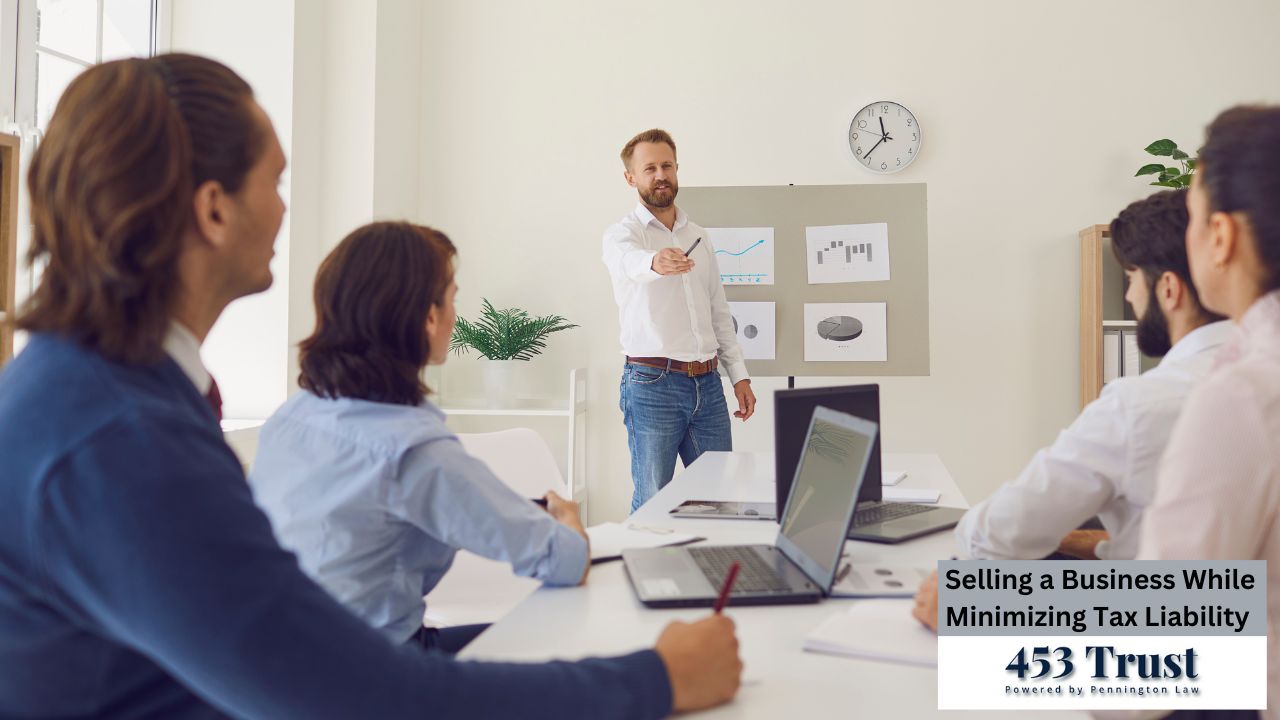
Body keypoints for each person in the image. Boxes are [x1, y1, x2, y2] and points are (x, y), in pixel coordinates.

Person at [0, 54, 740, 718]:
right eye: (277, 181)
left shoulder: (110, 393)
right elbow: (344, 692)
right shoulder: (114, 438)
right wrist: (656, 681)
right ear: (214, 208)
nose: (287, 208)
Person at [249, 221, 588, 652]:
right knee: (574, 640)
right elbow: (566, 561)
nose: (454, 315)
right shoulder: (413, 451)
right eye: (452, 299)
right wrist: (571, 519)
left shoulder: (292, 416)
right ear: (429, 317)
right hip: (378, 675)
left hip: (283, 662)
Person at [911, 189, 1230, 627]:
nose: (1132, 297)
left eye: (1132, 278)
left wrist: (972, 602)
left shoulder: (1143, 405)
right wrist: (1092, 543)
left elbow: (995, 537)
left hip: (1170, 649)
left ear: (1169, 289)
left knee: (945, 603)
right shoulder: (1257, 381)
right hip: (1239, 642)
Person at [1136, 105, 1280, 720]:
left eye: (1192, 216)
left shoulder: (1245, 395)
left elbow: (1161, 649)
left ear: (1221, 236)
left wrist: (974, 616)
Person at [603, 128, 757, 511]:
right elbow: (629, 263)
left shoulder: (699, 236)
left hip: (708, 384)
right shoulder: (623, 235)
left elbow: (718, 311)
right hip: (652, 385)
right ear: (631, 177)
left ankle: (713, 570)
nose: (660, 175)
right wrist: (655, 261)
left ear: (677, 170)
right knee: (654, 501)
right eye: (649, 168)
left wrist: (739, 375)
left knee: (718, 499)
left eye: (667, 166)